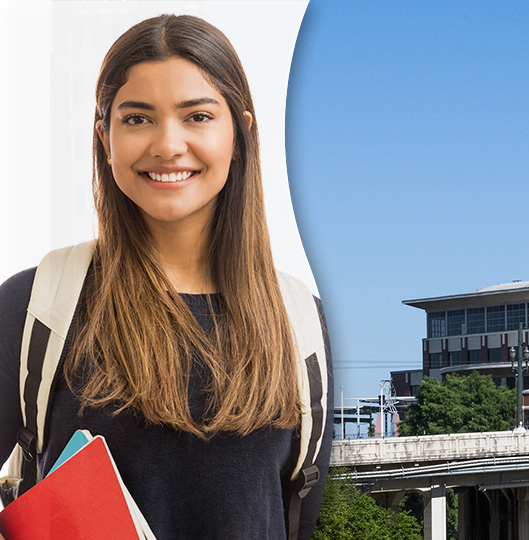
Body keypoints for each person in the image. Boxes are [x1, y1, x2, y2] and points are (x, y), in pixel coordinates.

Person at [0, 14, 329, 540]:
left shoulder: (299, 321)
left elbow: (296, 518)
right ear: (105, 139)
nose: (167, 144)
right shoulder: (34, 306)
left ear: (240, 135)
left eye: (197, 116)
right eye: (137, 119)